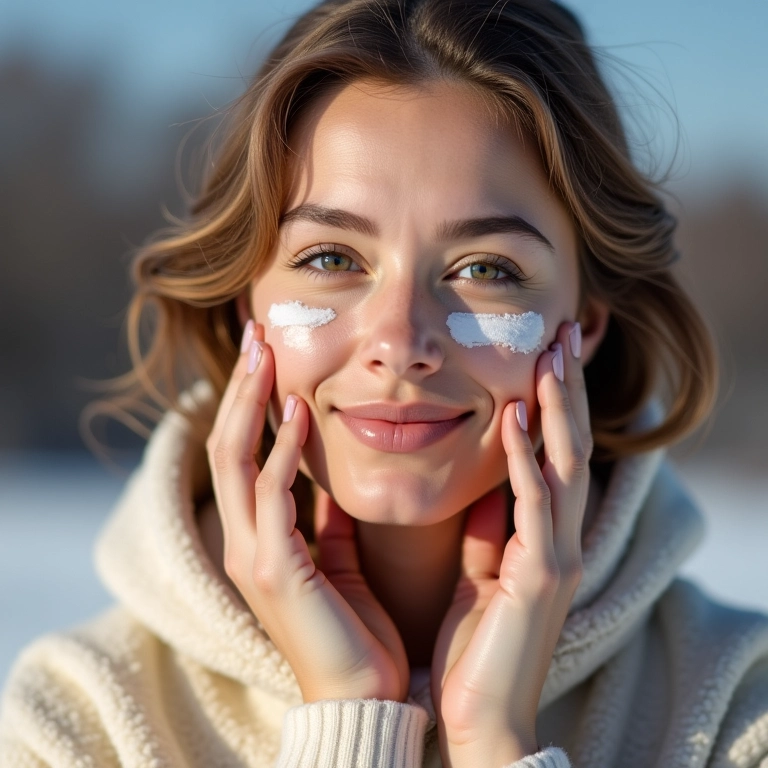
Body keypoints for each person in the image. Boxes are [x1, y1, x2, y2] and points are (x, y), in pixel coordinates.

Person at [2, 0, 767, 765]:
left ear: (586, 321)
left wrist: (496, 740)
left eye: (486, 270)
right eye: (332, 259)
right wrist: (347, 716)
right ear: (248, 304)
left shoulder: (740, 710)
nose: (400, 343)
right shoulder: (74, 723)